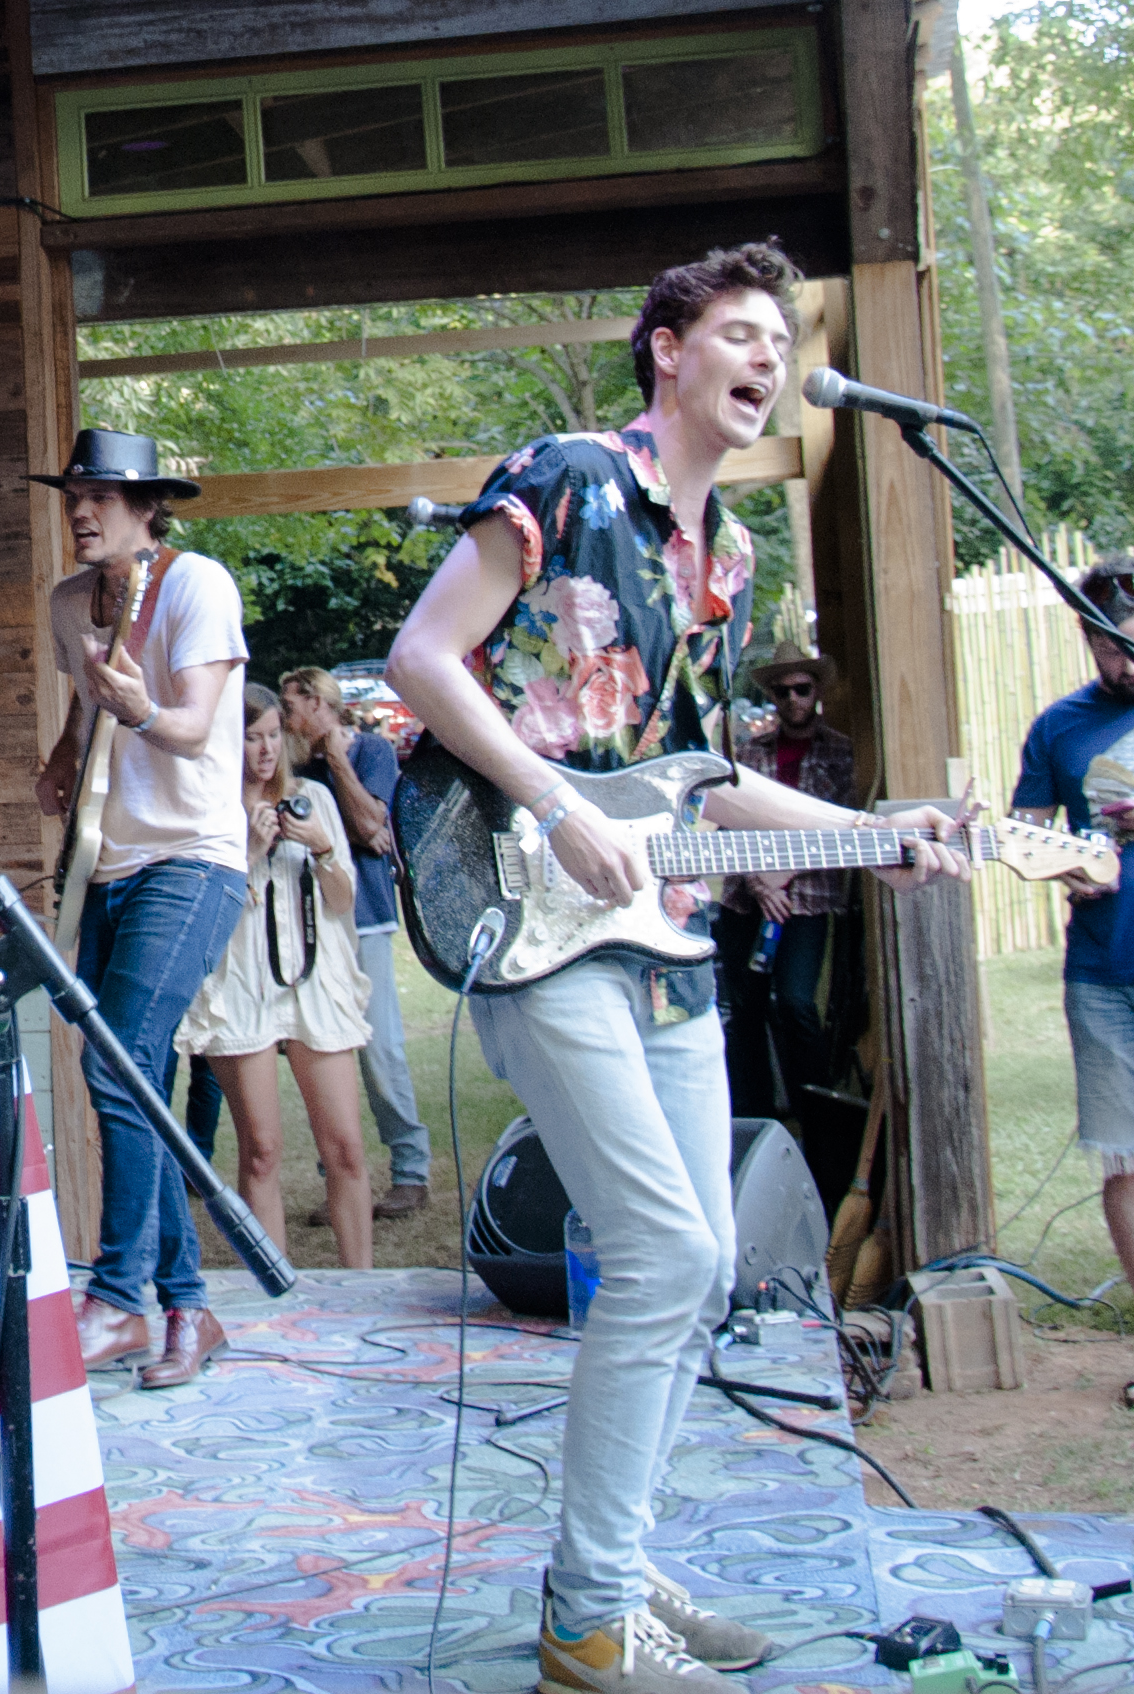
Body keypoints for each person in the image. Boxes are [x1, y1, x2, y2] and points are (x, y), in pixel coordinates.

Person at [386, 241, 965, 1694]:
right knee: (665, 1252)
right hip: (520, 902)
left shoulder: (726, 557)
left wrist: (876, 832)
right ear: (664, 349)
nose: (763, 357)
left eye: (777, 339)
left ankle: (618, 1564)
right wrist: (560, 803)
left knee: (693, 1263)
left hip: (651, 932)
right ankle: (585, 1619)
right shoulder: (567, 477)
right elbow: (419, 660)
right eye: (736, 332)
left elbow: (693, 783)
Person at [34, 428, 251, 1392]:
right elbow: (86, 712)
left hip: (193, 859)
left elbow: (196, 730)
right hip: (106, 863)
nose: (81, 511)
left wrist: (135, 709)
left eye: (102, 497)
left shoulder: (196, 584)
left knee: (118, 1060)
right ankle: (187, 1308)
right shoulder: (68, 601)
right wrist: (66, 750)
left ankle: (118, 1297)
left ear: (147, 506)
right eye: (73, 494)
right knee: (132, 1078)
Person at [179, 684, 374, 1277]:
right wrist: (247, 850)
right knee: (261, 1151)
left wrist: (320, 850)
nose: (266, 751)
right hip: (240, 986)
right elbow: (201, 917)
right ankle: (276, 1288)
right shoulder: (206, 809)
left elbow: (343, 902)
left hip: (314, 984)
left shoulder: (312, 797)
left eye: (272, 735)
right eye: (251, 737)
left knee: (345, 1148)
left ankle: (362, 1285)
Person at [1013, 552, 1134, 1390]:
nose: (1120, 663)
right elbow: (1026, 831)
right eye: (1105, 646)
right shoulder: (1059, 726)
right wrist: (1071, 862)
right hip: (1102, 973)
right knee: (1125, 1162)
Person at [281, 666, 431, 1220]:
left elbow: (373, 828)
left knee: (381, 1049)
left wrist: (336, 759)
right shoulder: (294, 764)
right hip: (312, 923)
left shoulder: (372, 752)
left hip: (364, 917)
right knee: (324, 1049)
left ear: (321, 703)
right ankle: (340, 1184)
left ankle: (411, 1173)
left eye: (293, 704)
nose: (287, 716)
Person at [723, 655, 861, 1136]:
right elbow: (729, 822)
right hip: (748, 897)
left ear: (817, 690)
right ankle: (756, 1121)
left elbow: (846, 824)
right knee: (745, 1011)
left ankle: (818, 1117)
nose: (793, 699)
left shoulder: (840, 752)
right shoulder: (750, 751)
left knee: (797, 1003)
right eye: (782, 692)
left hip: (808, 899)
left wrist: (787, 872)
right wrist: (763, 881)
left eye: (802, 689)